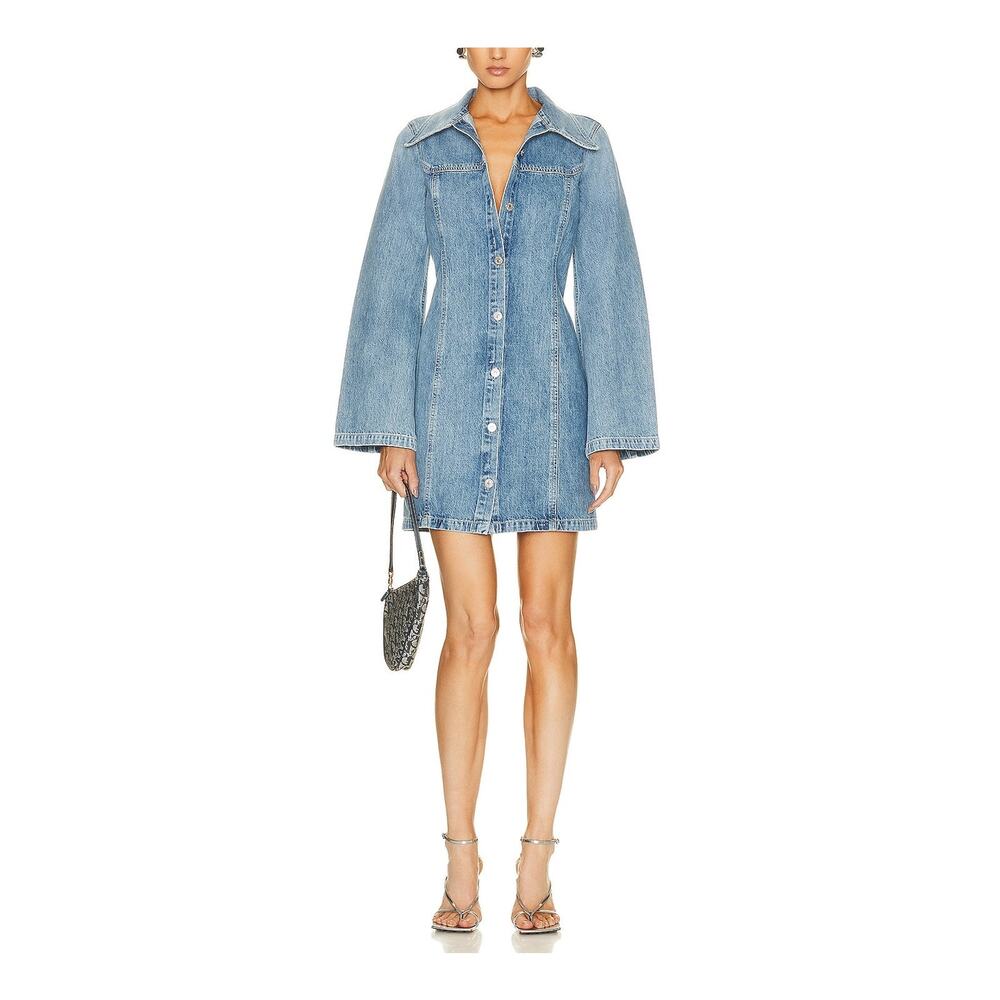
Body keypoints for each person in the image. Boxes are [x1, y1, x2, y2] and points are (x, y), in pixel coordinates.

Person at [334, 47, 660, 933]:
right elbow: (391, 288)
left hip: (553, 408)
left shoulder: (583, 146)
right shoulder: (422, 145)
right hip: (445, 410)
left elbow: (610, 284)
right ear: (461, 42)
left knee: (548, 628)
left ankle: (538, 855)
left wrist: (611, 428)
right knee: (469, 633)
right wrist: (392, 426)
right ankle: (460, 856)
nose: (499, 46)